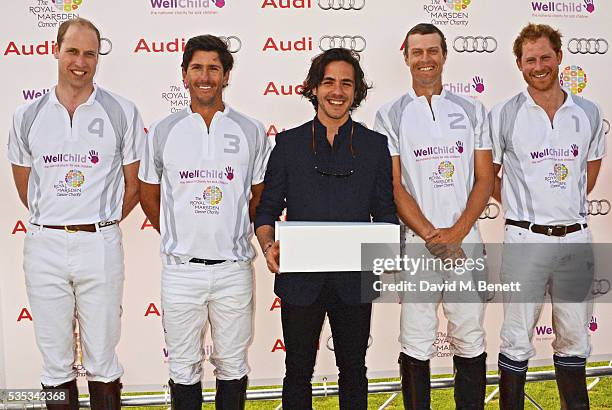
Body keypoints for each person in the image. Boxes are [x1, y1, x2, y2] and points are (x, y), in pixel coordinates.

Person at [7, 17, 144, 410]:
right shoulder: (26, 116)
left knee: (102, 357)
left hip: (99, 245)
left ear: (98, 57)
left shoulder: (122, 111)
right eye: (72, 51)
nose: (80, 62)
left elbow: (132, 186)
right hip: (44, 244)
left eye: (89, 53)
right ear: (55, 51)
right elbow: (26, 188)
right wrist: (58, 218)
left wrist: (98, 222)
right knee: (54, 360)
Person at [254, 47, 397, 410]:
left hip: (354, 279)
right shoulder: (287, 144)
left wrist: (385, 250)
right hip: (300, 279)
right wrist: (269, 245)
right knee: (297, 370)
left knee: (354, 370)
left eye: (346, 83)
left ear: (357, 91)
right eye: (329, 81)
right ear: (314, 88)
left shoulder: (375, 146)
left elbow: (385, 211)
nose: (337, 90)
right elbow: (267, 209)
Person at [139, 35, 271, 410]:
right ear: (184, 75)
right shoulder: (163, 130)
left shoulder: (250, 130)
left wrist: (234, 229)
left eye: (214, 68)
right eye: (197, 67)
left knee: (232, 365)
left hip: (233, 269)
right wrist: (179, 234)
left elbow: (259, 195)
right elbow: (149, 194)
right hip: (181, 271)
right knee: (183, 366)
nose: (205, 76)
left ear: (227, 75)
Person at [374, 23, 494, 409]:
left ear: (444, 55)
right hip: (417, 243)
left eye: (432, 51)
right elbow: (394, 186)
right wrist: (432, 235)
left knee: (470, 334)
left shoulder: (473, 109)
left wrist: (456, 233)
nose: (425, 59)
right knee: (415, 338)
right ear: (406, 56)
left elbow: (485, 178)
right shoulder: (389, 114)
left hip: (465, 242)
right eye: (417, 52)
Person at [490, 23, 605, 409]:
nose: (539, 66)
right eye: (530, 60)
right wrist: (524, 206)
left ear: (559, 56)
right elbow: (489, 176)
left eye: (545, 57)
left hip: (575, 240)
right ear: (519, 65)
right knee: (516, 338)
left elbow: (588, 174)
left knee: (574, 337)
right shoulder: (505, 113)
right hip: (525, 240)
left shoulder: (588, 112)